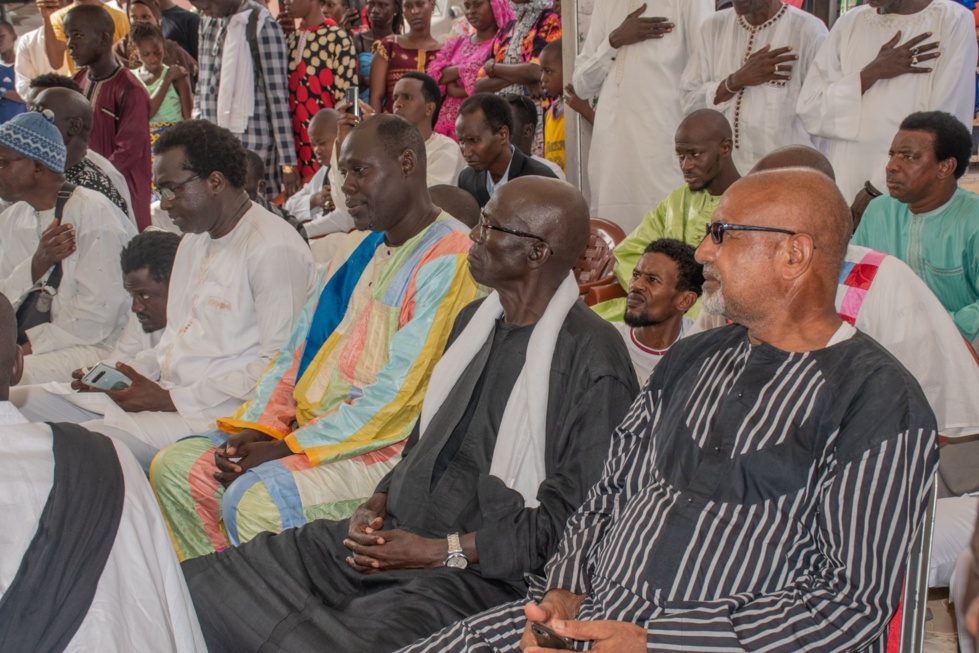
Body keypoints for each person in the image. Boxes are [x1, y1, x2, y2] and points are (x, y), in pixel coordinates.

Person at [404, 166, 939, 653]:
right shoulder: (692, 356)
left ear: (793, 255)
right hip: (589, 622)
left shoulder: (879, 403)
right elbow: (607, 493)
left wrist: (654, 641)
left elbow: (847, 604)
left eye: (723, 234)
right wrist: (563, 593)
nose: (703, 251)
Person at [180, 176, 639, 653]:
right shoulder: (475, 322)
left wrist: (440, 552)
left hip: (476, 577)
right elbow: (424, 442)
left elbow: (575, 521)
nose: (474, 237)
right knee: (204, 585)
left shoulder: (591, 359)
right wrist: (377, 501)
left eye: (489, 227)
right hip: (396, 540)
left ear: (537, 253)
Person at [151, 115, 483, 561]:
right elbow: (296, 353)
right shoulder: (360, 249)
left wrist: (286, 447)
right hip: (312, 431)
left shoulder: (452, 255)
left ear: (408, 164)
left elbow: (399, 400)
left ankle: (274, 615)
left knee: (255, 499)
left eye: (359, 171)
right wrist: (260, 428)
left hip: (387, 451)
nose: (346, 186)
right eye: (342, 172)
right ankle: (215, 595)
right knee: (177, 469)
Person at [11, 120, 317, 469]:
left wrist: (169, 398)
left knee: (69, 448)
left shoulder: (272, 248)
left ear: (215, 181)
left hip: (218, 417)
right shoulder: (192, 242)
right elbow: (170, 348)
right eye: (160, 191)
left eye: (172, 190)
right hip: (166, 396)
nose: (165, 204)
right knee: (19, 402)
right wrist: (116, 375)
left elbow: (277, 370)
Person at [0, 296, 207, 653]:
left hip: (201, 408)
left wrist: (159, 396)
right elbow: (168, 611)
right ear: (19, 365)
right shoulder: (110, 461)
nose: (141, 303)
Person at [797, 0, 977, 211]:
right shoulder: (849, 22)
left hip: (912, 188)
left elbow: (945, 123)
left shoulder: (952, 20)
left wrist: (876, 189)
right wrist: (870, 74)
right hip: (845, 179)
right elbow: (810, 108)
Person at [0, 111, 136, 385]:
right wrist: (35, 265)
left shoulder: (93, 213)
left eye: (2, 163)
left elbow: (98, 317)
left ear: (38, 168)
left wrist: (23, 352)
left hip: (96, 349)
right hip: (30, 345)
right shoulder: (13, 217)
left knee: (7, 377)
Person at [573, 0, 712, 233]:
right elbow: (581, 85)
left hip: (663, 149)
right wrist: (614, 40)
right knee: (613, 241)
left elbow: (705, 75)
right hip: (611, 154)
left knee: (667, 236)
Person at [593, 109, 740, 322]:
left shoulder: (748, 203)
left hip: (713, 311)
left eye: (695, 154)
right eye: (681, 156)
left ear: (725, 148)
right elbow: (630, 253)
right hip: (657, 305)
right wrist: (658, 290)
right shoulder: (676, 201)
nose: (686, 166)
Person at [852, 112, 979, 346]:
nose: (892, 167)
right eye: (892, 155)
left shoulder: (973, 219)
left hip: (961, 347)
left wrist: (927, 333)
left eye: (908, 157)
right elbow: (855, 283)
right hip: (886, 342)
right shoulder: (879, 212)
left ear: (945, 167)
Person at [680, 0, 826, 175]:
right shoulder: (713, 27)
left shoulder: (808, 30)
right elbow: (689, 102)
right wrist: (735, 81)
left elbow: (821, 115)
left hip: (784, 175)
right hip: (724, 177)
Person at [193, 0, 299, 199]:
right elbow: (202, 86)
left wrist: (287, 164)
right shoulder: (208, 21)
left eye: (207, 4)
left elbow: (277, 97)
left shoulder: (262, 24)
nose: (203, 10)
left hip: (254, 148)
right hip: (214, 146)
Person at [67, 4, 153, 231]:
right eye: (68, 36)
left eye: (77, 35)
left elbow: (128, 152)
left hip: (122, 192)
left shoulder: (130, 90)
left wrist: (92, 179)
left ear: (104, 38)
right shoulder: (78, 80)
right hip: (85, 190)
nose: (70, 44)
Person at [26, 72, 134, 224]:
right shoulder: (44, 169)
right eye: (30, 110)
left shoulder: (92, 184)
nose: (31, 120)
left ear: (74, 126)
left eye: (43, 113)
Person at [283, 0, 357, 180]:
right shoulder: (289, 41)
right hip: (294, 148)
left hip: (327, 148)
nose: (286, 2)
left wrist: (343, 153)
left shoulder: (338, 39)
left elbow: (349, 103)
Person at [616, 238, 701, 383]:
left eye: (652, 280)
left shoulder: (701, 349)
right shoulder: (611, 342)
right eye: (636, 275)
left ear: (685, 301)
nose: (636, 285)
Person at [426, 0, 512, 140]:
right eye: (467, 6)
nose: (471, 11)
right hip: (448, 124)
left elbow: (496, 82)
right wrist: (464, 69)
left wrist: (453, 88)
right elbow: (435, 75)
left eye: (477, 4)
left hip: (483, 123)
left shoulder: (503, 43)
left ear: (495, 5)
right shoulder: (458, 42)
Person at [456, 92, 556, 208]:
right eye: (462, 142)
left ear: (503, 134)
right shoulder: (466, 179)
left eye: (473, 140)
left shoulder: (542, 180)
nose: (466, 152)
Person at [284, 107, 355, 239]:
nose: (317, 150)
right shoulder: (323, 172)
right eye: (314, 145)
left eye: (321, 143)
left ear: (341, 135)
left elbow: (345, 219)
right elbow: (289, 206)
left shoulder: (354, 170)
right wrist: (314, 200)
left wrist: (302, 231)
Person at [392, 71, 467, 185]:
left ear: (429, 109)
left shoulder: (445, 150)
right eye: (395, 98)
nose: (397, 104)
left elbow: (428, 198)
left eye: (407, 97)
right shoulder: (387, 148)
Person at [369, 0, 440, 113]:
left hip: (433, 128)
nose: (414, 11)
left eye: (420, 4)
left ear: (432, 4)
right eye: (408, 6)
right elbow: (375, 97)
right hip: (391, 126)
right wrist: (375, 128)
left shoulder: (445, 52)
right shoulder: (389, 46)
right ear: (402, 9)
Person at [132, 21, 193, 146]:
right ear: (135, 52)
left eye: (157, 52)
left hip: (174, 143)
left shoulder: (178, 77)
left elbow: (189, 119)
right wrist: (166, 80)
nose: (153, 58)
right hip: (144, 145)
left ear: (164, 48)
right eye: (146, 54)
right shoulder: (131, 79)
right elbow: (144, 115)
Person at [116, 0, 198, 81]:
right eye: (134, 17)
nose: (140, 22)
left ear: (156, 18)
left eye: (145, 17)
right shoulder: (121, 49)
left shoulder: (172, 49)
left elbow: (195, 76)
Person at [43, 0, 129, 75]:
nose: (70, 44)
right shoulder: (58, 17)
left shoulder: (119, 17)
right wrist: (46, 18)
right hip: (78, 86)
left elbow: (127, 57)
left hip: (113, 81)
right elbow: (56, 63)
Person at [243, 149, 308, 242]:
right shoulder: (218, 219)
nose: (232, 197)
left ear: (261, 187)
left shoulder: (289, 226)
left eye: (241, 190)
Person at [502, 92, 564, 180]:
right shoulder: (488, 175)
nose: (500, 130)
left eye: (507, 123)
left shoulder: (550, 173)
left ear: (528, 130)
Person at [352, 0, 401, 104]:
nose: (375, 10)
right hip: (362, 109)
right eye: (371, 4)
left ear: (395, 9)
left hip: (392, 109)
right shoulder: (358, 40)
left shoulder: (401, 43)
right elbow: (349, 82)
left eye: (383, 5)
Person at [0, 22, 26, 124]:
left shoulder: (26, 66)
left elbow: (30, 96)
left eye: (2, 36)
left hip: (23, 129)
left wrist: (3, 92)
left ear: (14, 37)